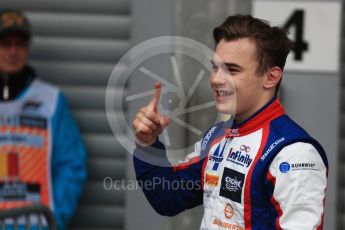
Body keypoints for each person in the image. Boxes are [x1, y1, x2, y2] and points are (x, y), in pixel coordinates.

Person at [132, 15, 328, 229]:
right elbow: (169, 197)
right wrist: (148, 143)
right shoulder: (218, 135)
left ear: (271, 77)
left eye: (232, 70)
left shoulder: (295, 153)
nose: (216, 79)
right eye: (215, 68)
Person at [0, 9, 86, 229]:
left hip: (36, 223)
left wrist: (55, 218)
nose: (13, 51)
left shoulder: (51, 101)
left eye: (20, 44)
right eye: (5, 43)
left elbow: (71, 165)